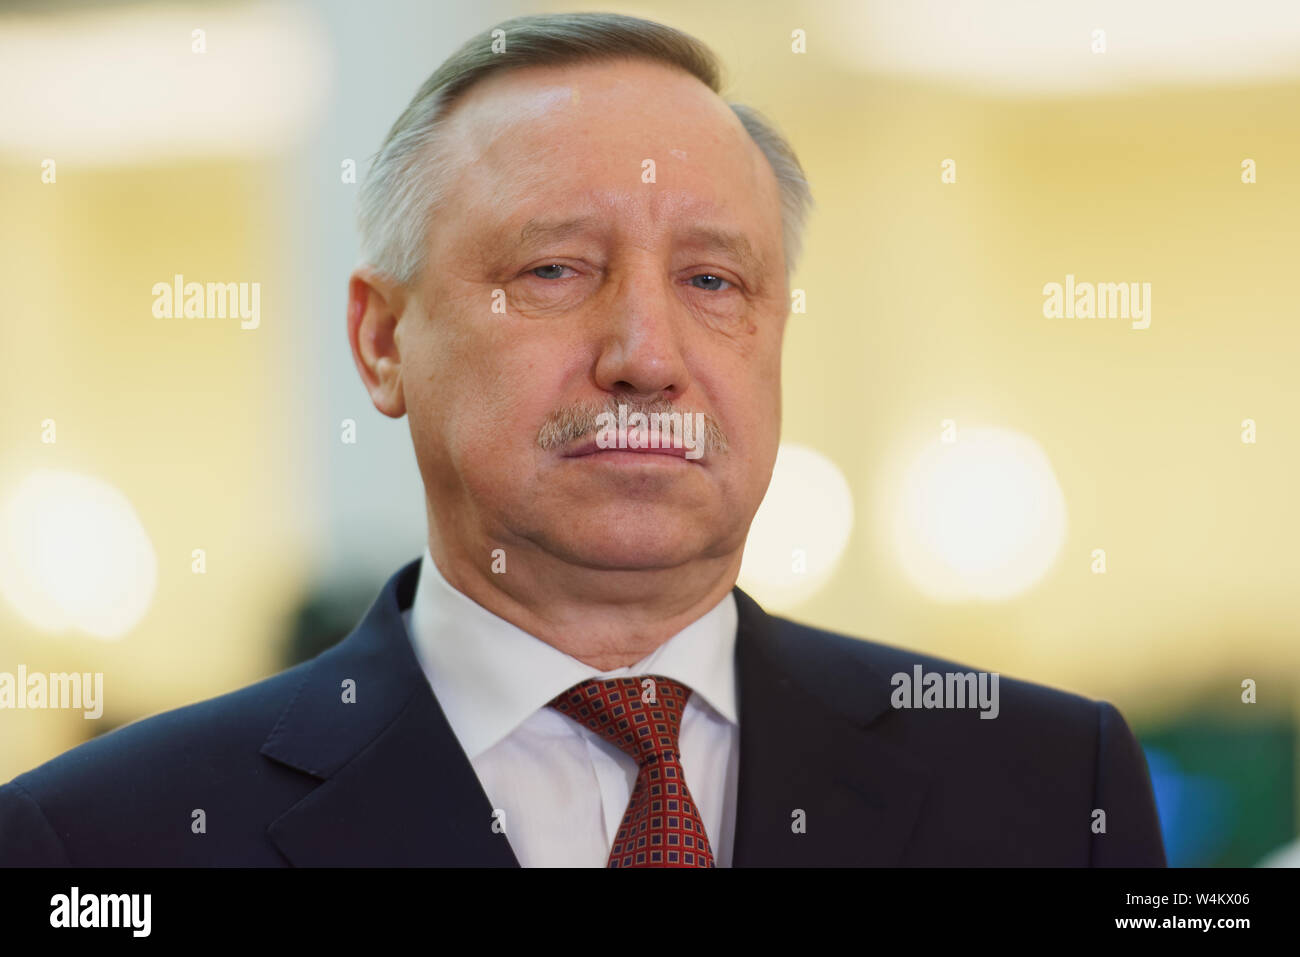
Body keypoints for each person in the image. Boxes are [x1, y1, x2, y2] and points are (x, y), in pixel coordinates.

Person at [0, 12, 1164, 867]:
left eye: (714, 279)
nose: (646, 353)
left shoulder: (1050, 788)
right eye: (555, 270)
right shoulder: (102, 844)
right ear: (382, 340)